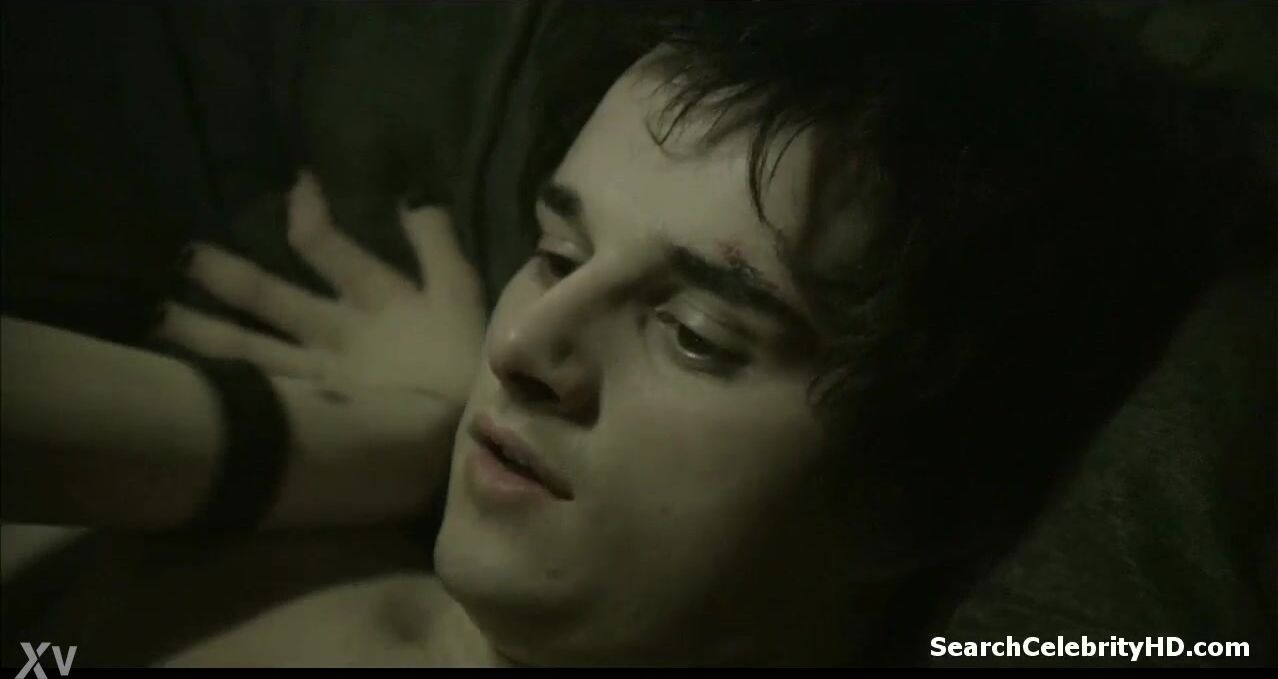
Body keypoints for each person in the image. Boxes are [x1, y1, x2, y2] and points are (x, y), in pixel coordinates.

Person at [2, 2, 1272, 667]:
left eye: (699, 334)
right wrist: (367, 448)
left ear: (912, 504)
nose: (521, 346)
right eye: (557, 255)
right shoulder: (328, 531)